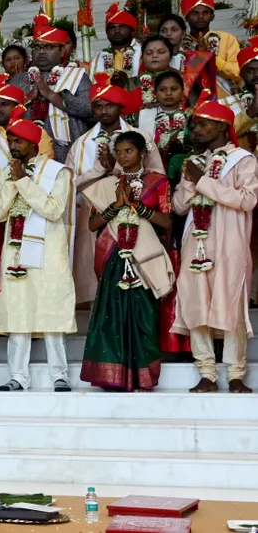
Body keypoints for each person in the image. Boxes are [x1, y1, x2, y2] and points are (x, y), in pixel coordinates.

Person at [171, 98, 256, 393]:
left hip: (230, 241)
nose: (195, 130)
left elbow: (247, 200)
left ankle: (235, 374)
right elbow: (179, 206)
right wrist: (190, 180)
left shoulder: (243, 159)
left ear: (222, 127)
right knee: (196, 301)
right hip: (196, 241)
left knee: (231, 301)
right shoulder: (195, 162)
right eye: (194, 125)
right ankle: (206, 372)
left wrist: (203, 181)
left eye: (202, 124)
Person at [81, 132, 174, 391]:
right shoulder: (106, 184)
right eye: (119, 151)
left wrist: (137, 207)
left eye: (128, 151)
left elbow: (166, 222)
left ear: (142, 153)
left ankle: (143, 378)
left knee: (144, 316)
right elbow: (93, 224)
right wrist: (116, 205)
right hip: (114, 257)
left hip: (144, 257)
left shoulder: (157, 182)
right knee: (111, 317)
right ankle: (112, 377)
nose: (122, 156)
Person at [0, 118, 76, 392]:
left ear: (33, 144)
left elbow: (53, 209)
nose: (13, 146)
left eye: (18, 141)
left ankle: (59, 375)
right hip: (15, 253)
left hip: (48, 254)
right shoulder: (6, 173)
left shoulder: (57, 172)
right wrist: (12, 182)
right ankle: (18, 377)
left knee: (51, 311)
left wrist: (23, 181)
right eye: (10, 141)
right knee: (18, 312)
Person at [66, 80, 163, 304]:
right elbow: (69, 185)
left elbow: (157, 174)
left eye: (109, 105)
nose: (104, 111)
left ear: (120, 107)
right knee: (95, 264)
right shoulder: (81, 144)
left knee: (135, 270)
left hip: (134, 210)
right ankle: (99, 307)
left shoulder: (140, 137)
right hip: (95, 213)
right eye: (98, 106)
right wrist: (99, 170)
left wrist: (117, 169)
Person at [10, 16, 90, 161]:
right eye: (37, 47)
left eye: (49, 47)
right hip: (26, 155)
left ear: (62, 50)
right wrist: (29, 97)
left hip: (68, 153)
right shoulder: (19, 80)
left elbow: (88, 109)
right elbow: (5, 114)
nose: (41, 52)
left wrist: (51, 95)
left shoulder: (77, 76)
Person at [0, 84, 52, 189]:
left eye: (4, 104)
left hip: (33, 192)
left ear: (18, 106)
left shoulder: (37, 133)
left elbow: (46, 169)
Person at [182, 0, 241, 85]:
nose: (200, 17)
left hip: (222, 92)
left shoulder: (227, 39)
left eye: (205, 13)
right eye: (195, 13)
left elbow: (237, 72)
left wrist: (209, 56)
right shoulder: (180, 42)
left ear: (212, 16)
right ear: (186, 17)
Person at [91, 4, 143, 79]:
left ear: (132, 31)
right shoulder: (99, 59)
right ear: (107, 33)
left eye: (122, 27)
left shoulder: (142, 54)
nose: (117, 31)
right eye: (112, 27)